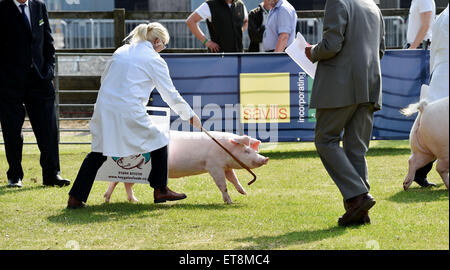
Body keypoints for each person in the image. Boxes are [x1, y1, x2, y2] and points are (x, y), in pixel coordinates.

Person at [67, 23, 202, 209]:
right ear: (156, 41)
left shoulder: (121, 51)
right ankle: (160, 189)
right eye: (163, 45)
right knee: (160, 139)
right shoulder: (154, 59)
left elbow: (104, 79)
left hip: (105, 106)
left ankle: (75, 197)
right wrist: (190, 115)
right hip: (127, 108)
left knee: (98, 152)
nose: (162, 49)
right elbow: (170, 93)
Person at [305, 0, 385, 226]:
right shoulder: (372, 6)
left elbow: (331, 45)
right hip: (369, 85)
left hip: (341, 85)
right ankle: (360, 211)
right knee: (356, 149)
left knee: (325, 140)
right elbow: (380, 50)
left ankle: (359, 197)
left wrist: (312, 51)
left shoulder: (337, 2)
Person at [0, 0, 70, 188]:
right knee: (12, 130)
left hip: (40, 80)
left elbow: (48, 42)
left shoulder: (39, 6)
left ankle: (52, 174)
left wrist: (49, 70)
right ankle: (14, 175)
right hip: (10, 83)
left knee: (48, 128)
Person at [413, 5, 449, 188]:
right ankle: (420, 171)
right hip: (446, 73)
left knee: (430, 125)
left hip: (441, 70)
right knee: (438, 128)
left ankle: (419, 171)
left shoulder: (442, 16)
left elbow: (433, 50)